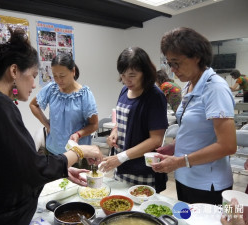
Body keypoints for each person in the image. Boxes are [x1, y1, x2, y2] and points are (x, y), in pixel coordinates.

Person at [0, 27, 103, 225]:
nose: (34, 84)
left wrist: (62, 167)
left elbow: (14, 163)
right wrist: (79, 151)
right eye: (33, 75)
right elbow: (32, 168)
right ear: (14, 71)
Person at [152, 27, 237, 205]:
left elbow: (228, 146)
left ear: (197, 56)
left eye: (177, 63)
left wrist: (179, 162)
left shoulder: (215, 89)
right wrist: (175, 146)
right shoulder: (189, 85)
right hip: (186, 177)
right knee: (186, 219)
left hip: (207, 184)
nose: (173, 70)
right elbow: (196, 131)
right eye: (169, 63)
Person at [100, 47, 168, 193]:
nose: (126, 80)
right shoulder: (125, 90)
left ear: (145, 72)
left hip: (142, 169)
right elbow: (123, 120)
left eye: (132, 75)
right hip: (122, 165)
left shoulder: (154, 96)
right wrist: (115, 130)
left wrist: (121, 157)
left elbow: (156, 140)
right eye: (123, 75)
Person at [29, 53, 98, 168]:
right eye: (55, 76)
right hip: (53, 152)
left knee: (77, 184)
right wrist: (47, 124)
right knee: (53, 185)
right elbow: (33, 105)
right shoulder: (51, 89)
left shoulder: (84, 94)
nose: (58, 80)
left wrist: (78, 134)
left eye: (62, 76)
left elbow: (94, 124)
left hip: (77, 154)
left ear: (73, 71)